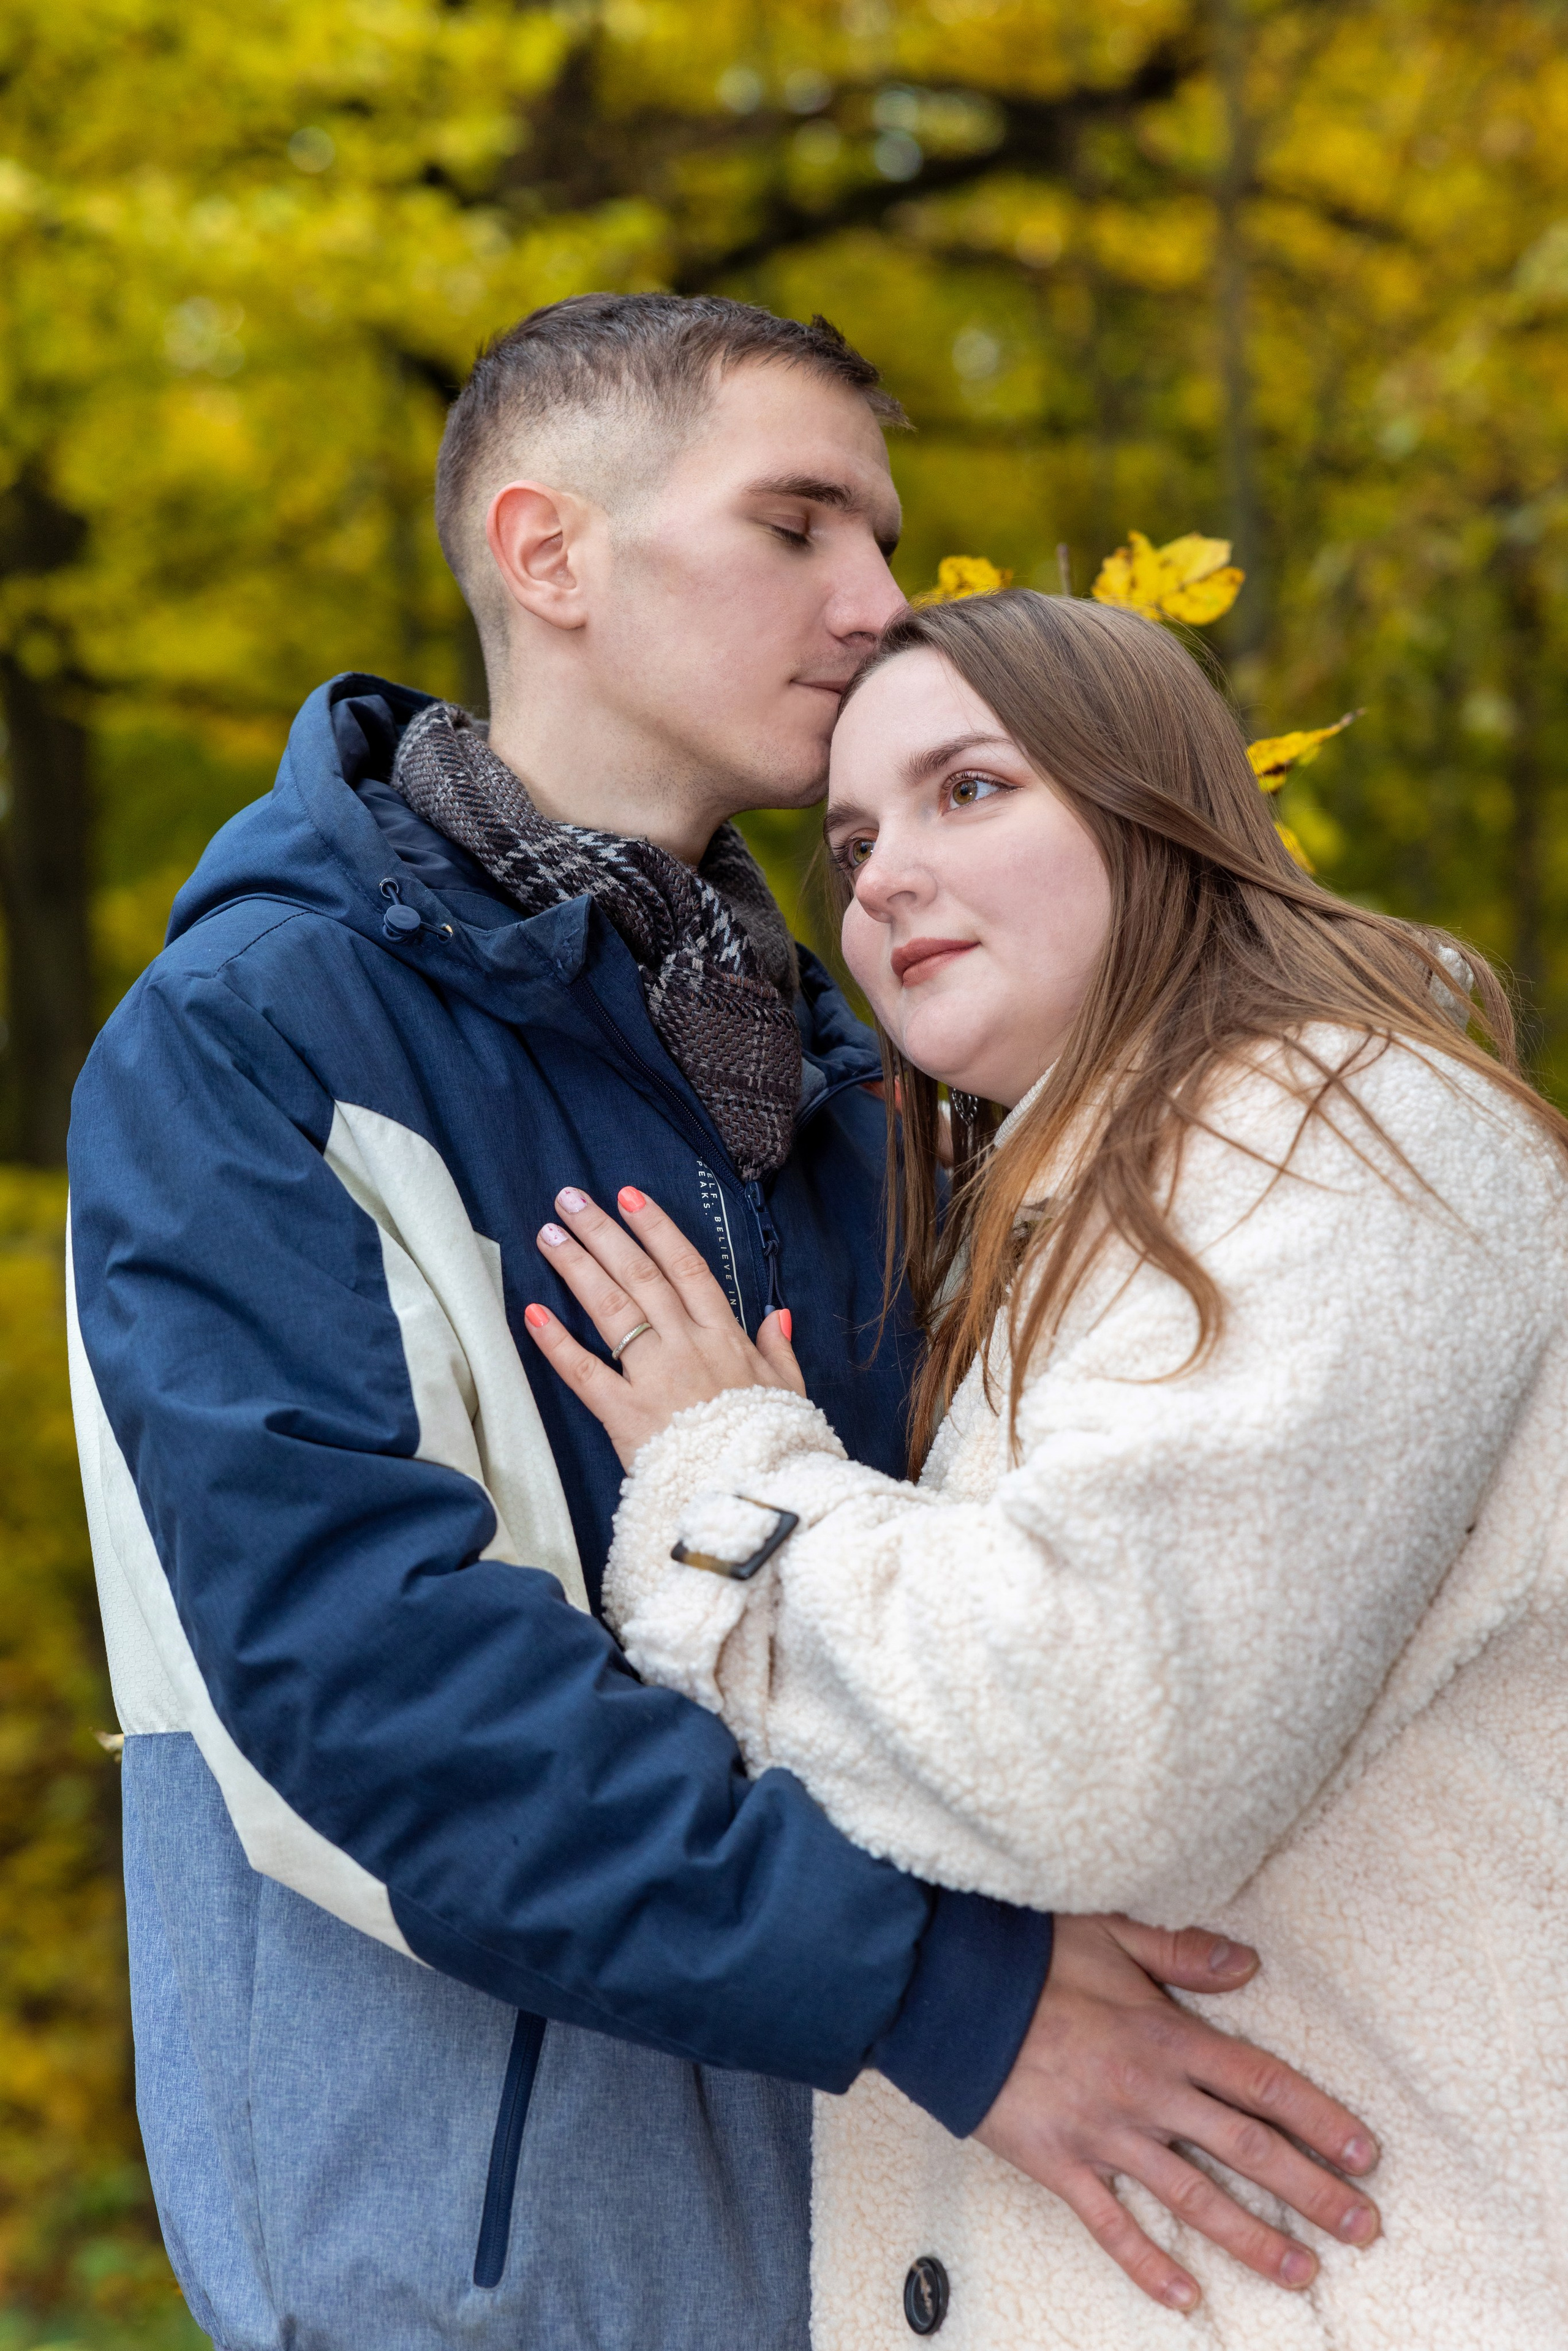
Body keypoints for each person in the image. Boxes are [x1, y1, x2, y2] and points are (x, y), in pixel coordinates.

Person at [68, 298, 1379, 2351]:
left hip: (915, 2246)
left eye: (882, 536)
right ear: (549, 552)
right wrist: (963, 2006)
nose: (874, 602)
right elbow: (377, 1678)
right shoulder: (255, 1047)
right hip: (495, 2276)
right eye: (798, 526)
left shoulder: (863, 1079)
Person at [525, 586, 1568, 2350]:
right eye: (852, 838)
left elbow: (1098, 1734)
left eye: (971, 790)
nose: (882, 878)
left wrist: (724, 1475)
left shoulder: (1350, 1134)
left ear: (1151, 800)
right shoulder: (1092, 1205)